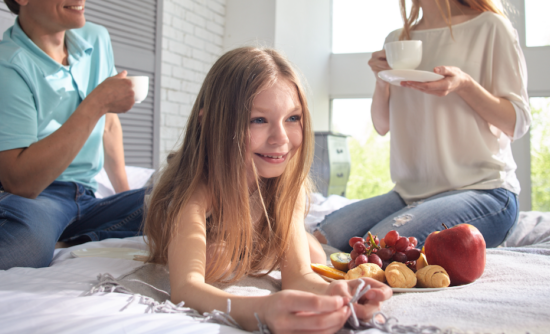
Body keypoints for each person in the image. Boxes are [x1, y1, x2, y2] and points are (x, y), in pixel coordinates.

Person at [315, 0, 531, 252]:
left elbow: (517, 122)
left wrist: (464, 85)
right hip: (409, 194)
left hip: (485, 193)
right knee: (322, 237)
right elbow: (382, 125)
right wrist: (382, 79)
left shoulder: (490, 27)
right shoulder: (398, 39)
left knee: (380, 247)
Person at [144, 47, 392, 333]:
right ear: (210, 121)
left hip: (256, 228)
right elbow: (187, 289)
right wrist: (263, 310)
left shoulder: (288, 190)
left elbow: (299, 277)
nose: (281, 138)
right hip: (148, 206)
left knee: (313, 256)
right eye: (258, 120)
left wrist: (338, 294)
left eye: (293, 118)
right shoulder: (195, 194)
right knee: (215, 254)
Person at [0, 0, 146, 270]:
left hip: (83, 197)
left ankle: (65, 237)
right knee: (17, 245)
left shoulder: (96, 39)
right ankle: (53, 234)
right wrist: (95, 104)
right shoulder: (4, 65)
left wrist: (126, 199)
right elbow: (20, 182)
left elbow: (109, 125)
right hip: (24, 198)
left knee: (183, 202)